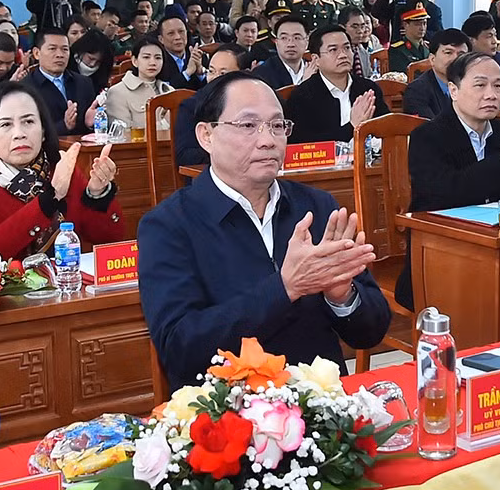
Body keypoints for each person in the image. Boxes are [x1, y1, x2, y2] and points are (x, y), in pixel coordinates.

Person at [138, 76, 391, 385]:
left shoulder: (316, 207)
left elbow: (372, 332)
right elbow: (181, 349)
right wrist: (285, 289)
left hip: (321, 409)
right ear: (206, 135)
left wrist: (341, 296)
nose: (268, 140)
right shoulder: (168, 224)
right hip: (227, 415)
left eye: (277, 126)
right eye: (248, 126)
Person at [401, 51, 500, 307]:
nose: (491, 94)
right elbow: (448, 192)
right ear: (453, 90)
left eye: (498, 85)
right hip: (442, 251)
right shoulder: (427, 136)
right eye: (480, 85)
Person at [0, 81, 124, 259]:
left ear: (43, 131)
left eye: (28, 121)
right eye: (6, 125)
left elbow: (110, 238)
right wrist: (49, 198)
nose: (19, 133)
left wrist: (97, 195)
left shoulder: (62, 171)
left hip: (67, 281)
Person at [284, 24, 382, 144]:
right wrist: (352, 126)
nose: (343, 55)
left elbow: (387, 128)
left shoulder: (368, 89)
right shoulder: (301, 96)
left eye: (347, 48)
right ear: (316, 59)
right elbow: (302, 143)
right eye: (333, 50)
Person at [175, 45, 246, 172]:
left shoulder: (256, 103)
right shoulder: (191, 106)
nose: (214, 78)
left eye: (223, 73)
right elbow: (185, 156)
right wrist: (230, 151)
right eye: (211, 71)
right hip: (209, 176)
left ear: (244, 74)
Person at [27, 28, 95, 135]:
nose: (60, 55)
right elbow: (28, 131)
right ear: (37, 53)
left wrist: (91, 124)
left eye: (65, 49)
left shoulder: (84, 83)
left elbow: (91, 127)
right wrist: (64, 125)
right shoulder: (25, 88)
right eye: (52, 49)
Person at [101, 38, 175, 134]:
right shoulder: (118, 92)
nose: (152, 63)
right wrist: (163, 124)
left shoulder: (170, 91)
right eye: (146, 57)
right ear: (135, 61)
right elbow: (122, 134)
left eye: (158, 58)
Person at [402, 29, 468, 121]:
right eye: (448, 53)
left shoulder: (472, 87)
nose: (455, 59)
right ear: (432, 59)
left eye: (461, 54)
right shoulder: (416, 91)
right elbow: (429, 130)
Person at [251, 14, 315, 91]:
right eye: (284, 38)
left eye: (297, 38)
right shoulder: (262, 73)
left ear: (306, 42)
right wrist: (304, 84)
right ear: (276, 42)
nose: (290, 44)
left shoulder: (316, 70)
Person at [386, 6, 433, 74]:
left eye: (424, 23)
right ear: (405, 25)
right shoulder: (397, 50)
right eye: (417, 24)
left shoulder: (428, 47)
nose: (422, 28)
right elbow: (403, 77)